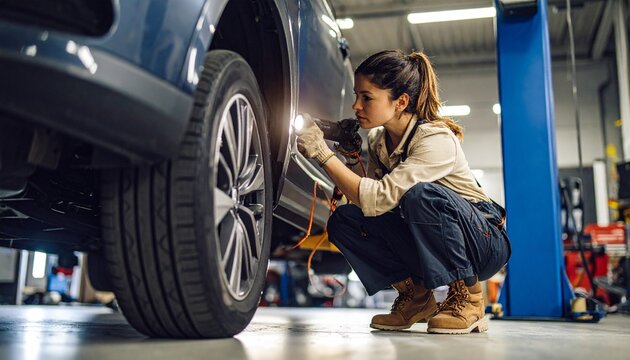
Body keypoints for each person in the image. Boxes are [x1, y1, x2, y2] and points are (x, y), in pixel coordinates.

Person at [296, 50, 511, 334]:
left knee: (421, 196)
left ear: (401, 102)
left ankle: (468, 299)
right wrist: (348, 159)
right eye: (356, 95)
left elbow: (378, 197)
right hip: (428, 236)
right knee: (345, 220)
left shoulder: (435, 138)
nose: (355, 105)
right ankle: (416, 298)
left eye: (367, 97)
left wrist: (322, 154)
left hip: (483, 243)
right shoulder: (378, 141)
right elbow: (369, 204)